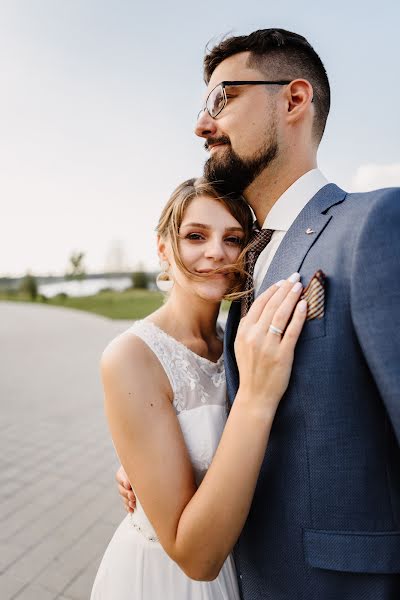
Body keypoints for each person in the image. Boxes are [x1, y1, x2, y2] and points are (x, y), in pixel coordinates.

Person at [117, 29, 400, 599]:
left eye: (223, 100)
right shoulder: (246, 274)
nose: (202, 126)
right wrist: (161, 465)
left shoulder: (375, 226)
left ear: (293, 100)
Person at [91, 177, 307, 599]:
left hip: (248, 568)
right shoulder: (130, 356)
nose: (217, 252)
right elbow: (195, 559)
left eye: (234, 238)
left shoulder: (239, 339)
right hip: (168, 577)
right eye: (195, 236)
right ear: (163, 249)